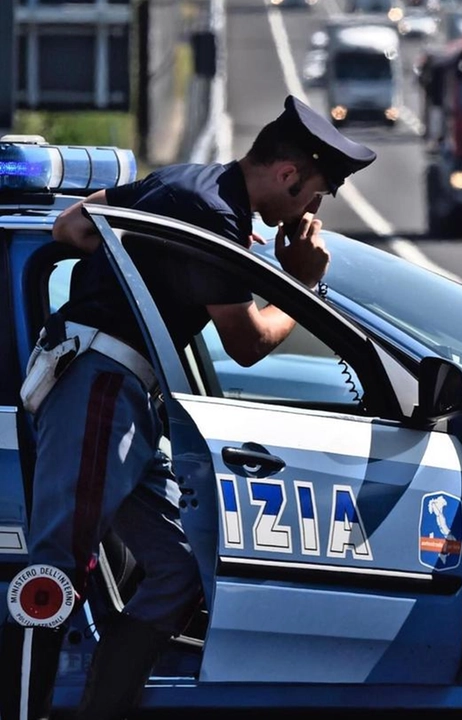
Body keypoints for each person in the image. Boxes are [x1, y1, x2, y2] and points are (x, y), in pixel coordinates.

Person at [0, 95, 376, 720]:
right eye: (319, 191)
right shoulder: (213, 216)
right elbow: (249, 343)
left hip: (125, 395)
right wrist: (303, 286)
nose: (313, 208)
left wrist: (147, 268)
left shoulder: (181, 185)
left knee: (178, 570)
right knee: (53, 575)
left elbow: (69, 228)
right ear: (289, 175)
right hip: (101, 386)